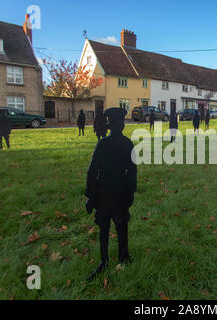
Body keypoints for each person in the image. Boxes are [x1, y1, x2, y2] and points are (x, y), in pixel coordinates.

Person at [85, 107, 137, 281]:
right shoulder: (127, 144)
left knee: (109, 228)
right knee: (117, 226)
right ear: (121, 125)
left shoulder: (104, 144)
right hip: (115, 192)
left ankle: (109, 258)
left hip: (108, 192)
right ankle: (115, 257)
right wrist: (131, 192)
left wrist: (90, 195)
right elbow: (132, 172)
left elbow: (92, 172)